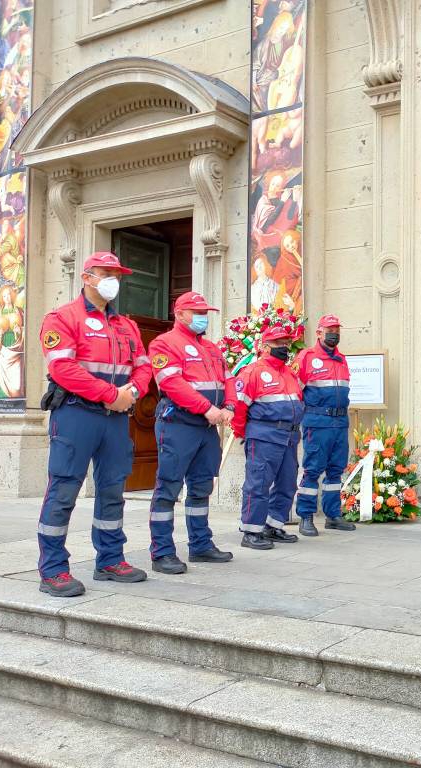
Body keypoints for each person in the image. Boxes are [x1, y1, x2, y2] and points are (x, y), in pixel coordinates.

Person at [36, 251, 153, 597]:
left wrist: (131, 391)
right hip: (76, 415)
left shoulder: (127, 325)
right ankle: (53, 569)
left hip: (115, 420)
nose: (113, 279)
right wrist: (108, 394)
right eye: (106, 272)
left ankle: (110, 559)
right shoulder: (62, 318)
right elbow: (63, 369)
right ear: (87, 277)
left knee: (113, 490)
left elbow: (144, 366)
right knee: (64, 490)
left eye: (117, 274)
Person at [146, 292, 237, 574]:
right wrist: (207, 408)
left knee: (201, 487)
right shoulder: (164, 343)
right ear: (180, 313)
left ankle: (200, 545)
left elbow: (228, 378)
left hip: (206, 428)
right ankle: (162, 552)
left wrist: (230, 406)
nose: (203, 317)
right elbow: (171, 383)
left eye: (205, 312)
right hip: (179, 425)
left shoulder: (211, 348)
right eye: (197, 311)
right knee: (168, 488)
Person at [233, 324, 303, 549]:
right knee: (258, 484)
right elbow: (238, 406)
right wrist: (244, 433)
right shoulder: (252, 371)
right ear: (265, 346)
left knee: (287, 483)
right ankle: (251, 530)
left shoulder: (289, 372)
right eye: (278, 344)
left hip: (289, 437)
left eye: (286, 343)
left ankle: (273, 526)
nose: (284, 347)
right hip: (264, 437)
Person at [294, 314, 357, 536]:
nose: (334, 334)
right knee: (312, 471)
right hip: (317, 424)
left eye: (337, 330)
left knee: (335, 471)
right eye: (330, 330)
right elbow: (295, 391)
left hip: (340, 423)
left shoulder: (341, 358)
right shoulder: (307, 357)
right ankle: (306, 516)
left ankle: (333, 515)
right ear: (319, 332)